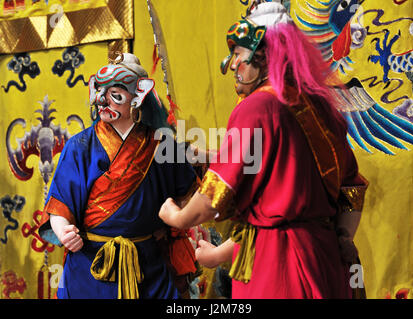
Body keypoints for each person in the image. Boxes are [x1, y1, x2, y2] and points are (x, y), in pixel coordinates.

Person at [158, 2, 368, 299]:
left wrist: (177, 217)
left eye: (239, 54)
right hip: (326, 258)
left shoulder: (257, 106)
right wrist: (343, 237)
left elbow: (216, 195)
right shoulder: (321, 107)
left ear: (264, 55)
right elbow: (351, 190)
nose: (232, 64)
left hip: (277, 265)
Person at [39, 53, 199, 299]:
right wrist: (63, 232)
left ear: (139, 95)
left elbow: (189, 196)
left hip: (147, 265)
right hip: (91, 262)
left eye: (116, 94)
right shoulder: (79, 146)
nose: (103, 101)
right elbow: (60, 206)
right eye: (100, 91)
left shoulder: (163, 145)